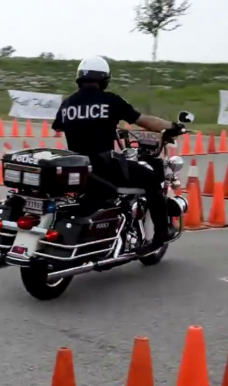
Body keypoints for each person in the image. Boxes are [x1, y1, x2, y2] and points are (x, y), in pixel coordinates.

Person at [51, 55, 183, 253]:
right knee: (152, 180)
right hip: (105, 166)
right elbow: (142, 120)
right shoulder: (110, 100)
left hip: (78, 167)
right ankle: (161, 234)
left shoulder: (68, 104)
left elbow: (58, 127)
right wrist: (172, 127)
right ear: (104, 79)